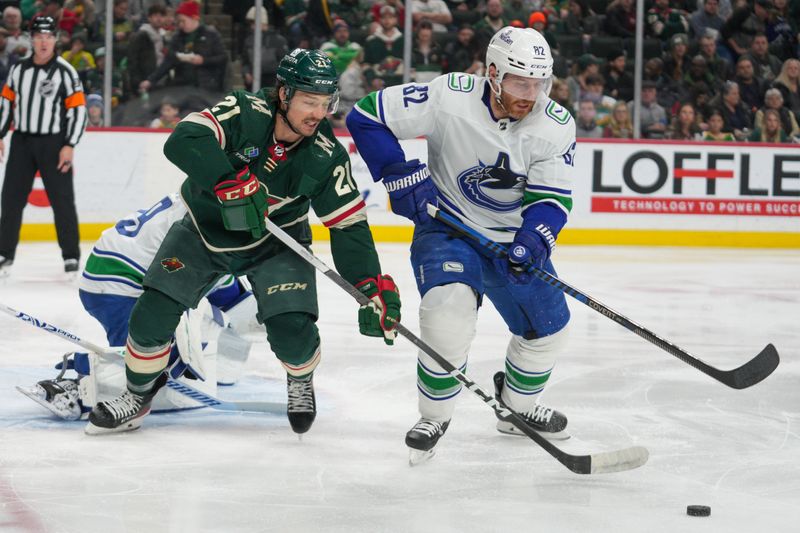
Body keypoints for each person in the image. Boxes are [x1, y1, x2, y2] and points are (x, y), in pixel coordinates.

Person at [85, 49, 401, 436]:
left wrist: (368, 284)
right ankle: (137, 395)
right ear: (283, 94)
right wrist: (225, 178)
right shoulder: (244, 110)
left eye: (325, 103)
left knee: (292, 332)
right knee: (152, 314)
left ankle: (300, 380)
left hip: (277, 243)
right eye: (308, 101)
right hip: (204, 230)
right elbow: (184, 139)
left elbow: (348, 225)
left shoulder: (326, 154)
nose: (318, 113)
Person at [346, 27, 575, 461]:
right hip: (447, 227)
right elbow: (365, 115)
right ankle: (435, 414)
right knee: (447, 315)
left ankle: (517, 409)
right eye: (519, 81)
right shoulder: (449, 95)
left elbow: (551, 200)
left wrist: (533, 240)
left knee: (549, 331)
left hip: (510, 241)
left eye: (539, 83)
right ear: (492, 73)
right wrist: (397, 172)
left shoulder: (555, 125)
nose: (531, 94)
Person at [17, 193, 261, 421]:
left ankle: (225, 368)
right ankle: (78, 389)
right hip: (117, 285)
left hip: (125, 268)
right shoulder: (206, 229)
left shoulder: (208, 203)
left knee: (217, 318)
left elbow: (235, 301)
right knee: (151, 366)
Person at [0, 16, 87, 275]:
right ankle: (4, 253)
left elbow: (78, 111)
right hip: (22, 142)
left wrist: (70, 144)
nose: (43, 42)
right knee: (11, 199)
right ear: (31, 39)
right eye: (38, 36)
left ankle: (70, 256)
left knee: (62, 200)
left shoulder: (65, 71)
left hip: (54, 143)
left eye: (48, 36)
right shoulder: (18, 70)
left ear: (55, 39)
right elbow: (6, 104)